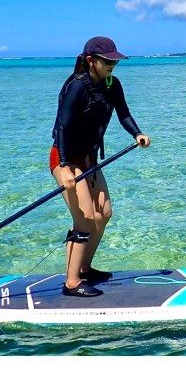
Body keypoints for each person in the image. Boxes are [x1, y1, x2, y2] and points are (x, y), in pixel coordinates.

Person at [50, 36, 151, 297]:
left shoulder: (112, 84)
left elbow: (124, 114)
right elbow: (62, 126)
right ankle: (71, 282)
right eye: (107, 61)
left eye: (114, 61)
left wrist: (137, 134)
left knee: (103, 213)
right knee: (84, 219)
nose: (112, 65)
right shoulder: (76, 86)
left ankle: (84, 269)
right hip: (67, 159)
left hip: (89, 159)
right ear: (90, 61)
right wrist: (64, 166)